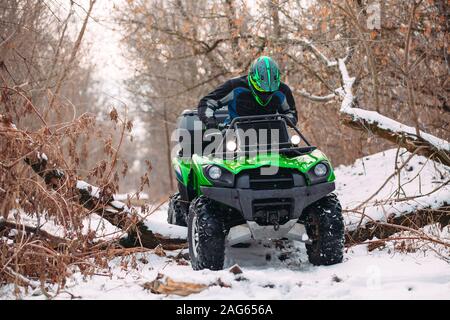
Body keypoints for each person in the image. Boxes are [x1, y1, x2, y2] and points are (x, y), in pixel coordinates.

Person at [197, 56, 298, 128]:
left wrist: (285, 121)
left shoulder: (283, 90)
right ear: (253, 79)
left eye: (270, 92)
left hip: (273, 134)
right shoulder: (234, 86)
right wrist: (210, 121)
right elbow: (207, 102)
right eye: (262, 90)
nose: (266, 95)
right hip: (235, 135)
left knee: (295, 151)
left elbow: (291, 113)